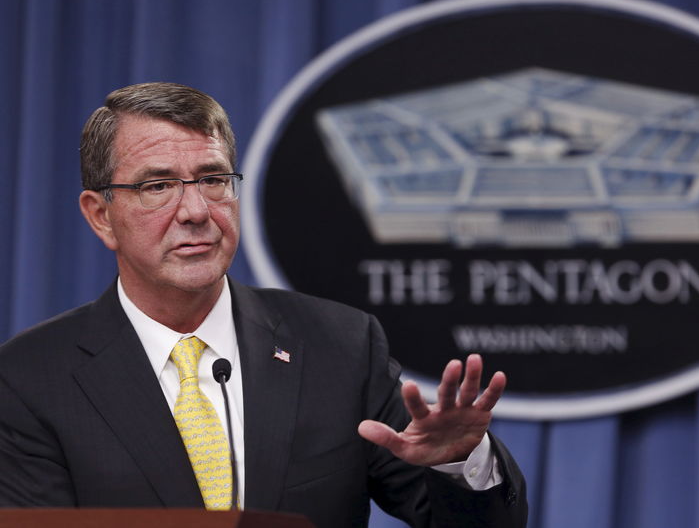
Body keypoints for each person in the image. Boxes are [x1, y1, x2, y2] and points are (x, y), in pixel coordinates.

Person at [0, 82, 526, 527]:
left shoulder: (341, 345)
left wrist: (459, 461)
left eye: (212, 179)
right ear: (100, 215)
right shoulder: (30, 379)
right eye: (158, 185)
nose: (196, 211)